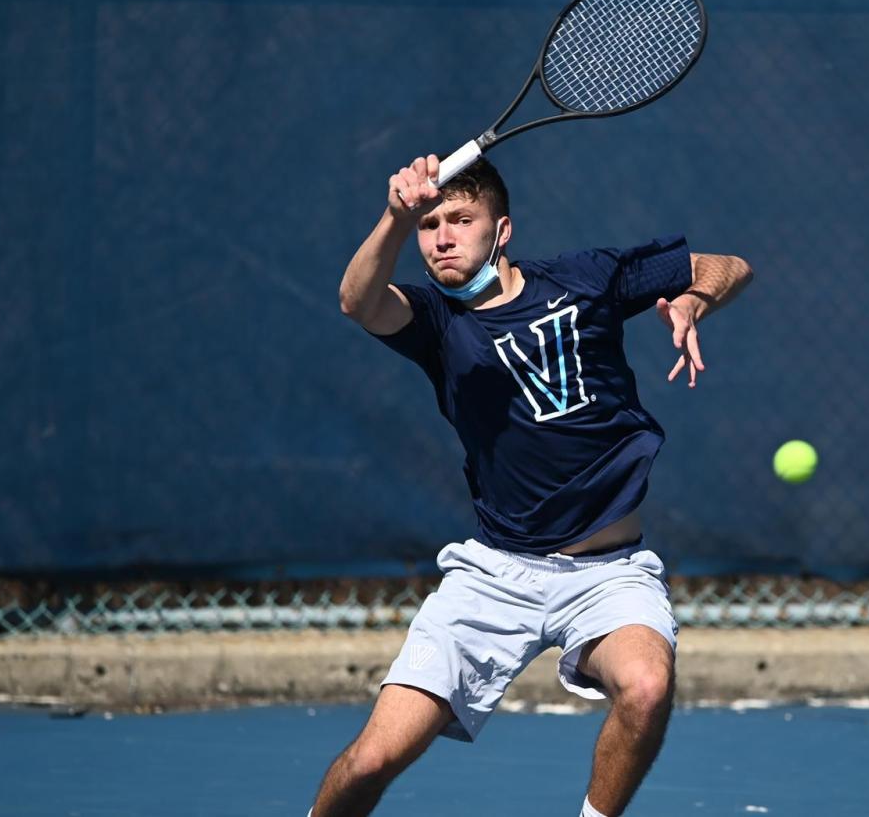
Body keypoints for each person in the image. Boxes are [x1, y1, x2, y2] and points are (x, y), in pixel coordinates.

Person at [315, 153, 753, 817]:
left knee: (645, 687)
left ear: (503, 229)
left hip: (609, 574)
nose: (442, 238)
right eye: (430, 224)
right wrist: (393, 219)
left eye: (460, 219)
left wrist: (693, 301)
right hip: (493, 576)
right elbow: (358, 301)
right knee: (372, 760)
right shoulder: (435, 323)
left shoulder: (586, 278)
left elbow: (728, 265)